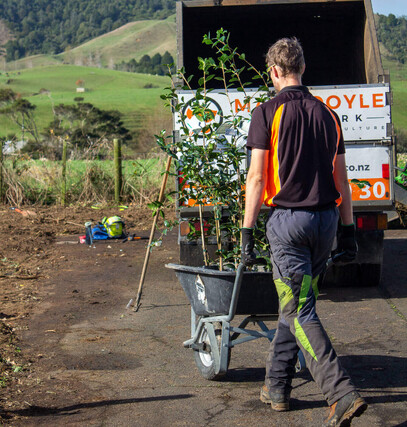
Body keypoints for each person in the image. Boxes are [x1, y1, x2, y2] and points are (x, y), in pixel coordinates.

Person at [241, 37, 367, 427]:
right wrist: (348, 230)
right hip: (325, 223)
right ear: (303, 68)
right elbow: (342, 181)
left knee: (299, 310)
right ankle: (276, 387)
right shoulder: (329, 114)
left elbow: (258, 177)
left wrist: (246, 233)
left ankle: (339, 392)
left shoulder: (266, 113)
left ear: (274, 72)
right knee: (293, 304)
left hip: (289, 227)